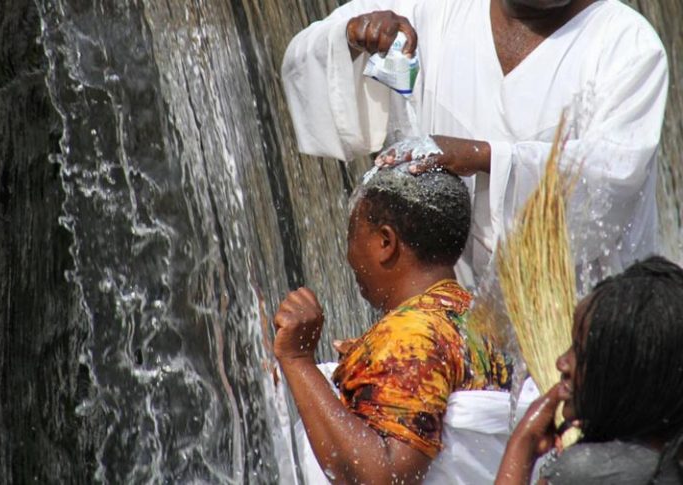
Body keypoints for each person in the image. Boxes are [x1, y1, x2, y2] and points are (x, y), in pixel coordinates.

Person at [281, 0, 668, 287]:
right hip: (452, 334)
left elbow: (615, 173)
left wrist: (483, 157)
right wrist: (354, 36)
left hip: (581, 335)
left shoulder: (626, 42)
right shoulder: (432, 11)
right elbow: (305, 57)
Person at [273, 165, 513, 484]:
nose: (349, 256)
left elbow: (384, 476)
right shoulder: (477, 316)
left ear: (386, 241)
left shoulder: (411, 336)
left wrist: (298, 360)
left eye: (352, 236)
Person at [496, 255, 683, 484]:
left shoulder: (588, 472)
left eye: (579, 351)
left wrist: (523, 443)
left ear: (625, 375)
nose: (561, 362)